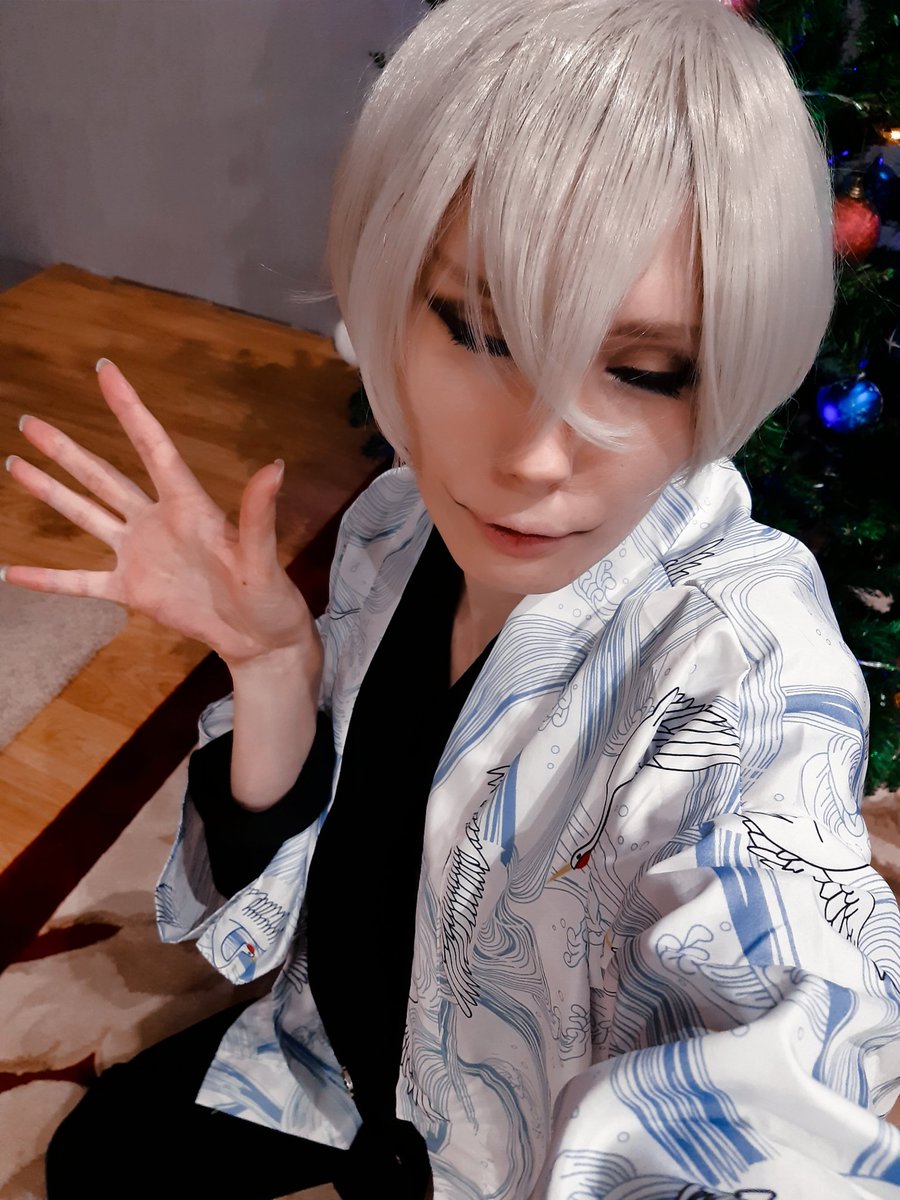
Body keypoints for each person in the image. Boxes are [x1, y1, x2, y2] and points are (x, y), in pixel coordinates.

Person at [4, 0, 898, 1195]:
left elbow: (783, 1033)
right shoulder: (396, 522)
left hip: (494, 1151)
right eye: (481, 329)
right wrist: (273, 668)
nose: (534, 454)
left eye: (644, 371)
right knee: (96, 1164)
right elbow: (296, 851)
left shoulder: (745, 658)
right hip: (337, 1065)